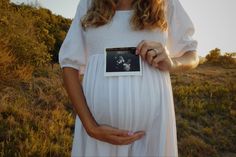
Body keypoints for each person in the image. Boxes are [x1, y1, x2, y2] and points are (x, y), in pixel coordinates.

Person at [58, 0, 199, 156]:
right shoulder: (88, 3)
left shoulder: (166, 3)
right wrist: (91, 127)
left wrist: (173, 63)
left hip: (151, 135)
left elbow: (191, 54)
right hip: (98, 139)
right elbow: (69, 64)